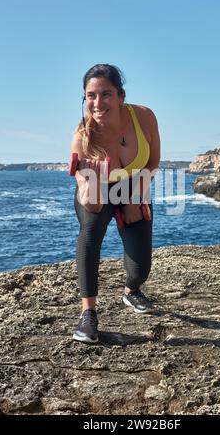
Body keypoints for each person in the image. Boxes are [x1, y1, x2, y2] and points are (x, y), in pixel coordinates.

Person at [71, 64, 160, 343]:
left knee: (140, 267)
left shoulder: (144, 117)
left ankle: (131, 291)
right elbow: (93, 204)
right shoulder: (82, 138)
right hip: (97, 191)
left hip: (135, 186)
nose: (98, 103)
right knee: (90, 233)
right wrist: (93, 180)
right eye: (91, 96)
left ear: (121, 96)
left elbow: (152, 163)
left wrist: (134, 199)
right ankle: (88, 314)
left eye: (106, 94)